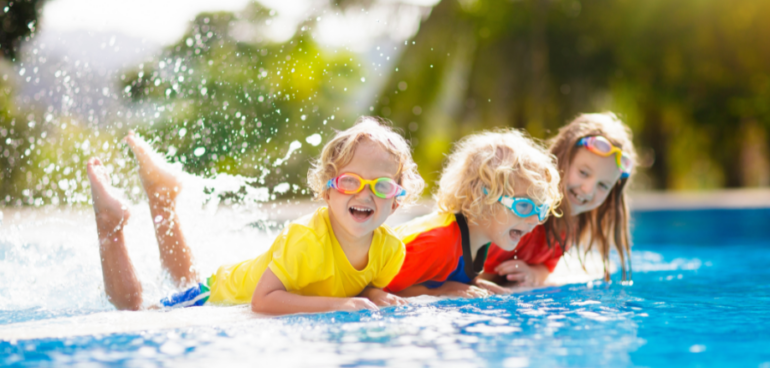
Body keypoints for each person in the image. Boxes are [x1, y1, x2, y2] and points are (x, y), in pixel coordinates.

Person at [87, 117, 424, 314]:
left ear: (396, 200)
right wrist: (338, 306)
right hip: (220, 292)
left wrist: (374, 295)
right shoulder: (306, 239)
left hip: (230, 285)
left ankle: (163, 198)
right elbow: (263, 302)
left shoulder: (390, 251)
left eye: (381, 186)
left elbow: (359, 287)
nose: (364, 194)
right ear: (327, 191)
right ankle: (111, 226)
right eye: (351, 182)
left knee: (183, 278)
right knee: (137, 312)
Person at [383, 129, 562, 298]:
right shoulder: (438, 241)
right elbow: (378, 290)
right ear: (483, 197)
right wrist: (443, 290)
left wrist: (476, 283)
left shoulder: (479, 241)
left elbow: (444, 274)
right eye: (524, 206)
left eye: (541, 210)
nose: (536, 220)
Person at [481, 112, 637, 287]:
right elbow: (473, 263)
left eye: (603, 186)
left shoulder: (569, 225)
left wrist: (533, 273)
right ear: (560, 158)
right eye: (583, 173)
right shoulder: (525, 209)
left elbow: (547, 266)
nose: (588, 189)